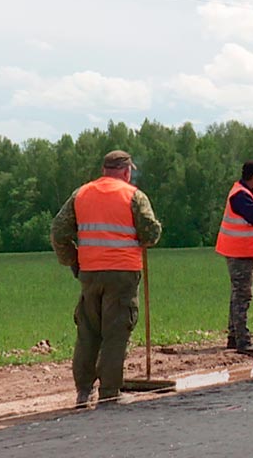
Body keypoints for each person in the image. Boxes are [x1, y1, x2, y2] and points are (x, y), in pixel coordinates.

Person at [51, 149, 162, 408]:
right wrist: (153, 231)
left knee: (88, 331)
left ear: (104, 170)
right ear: (126, 171)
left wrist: (73, 260)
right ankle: (110, 392)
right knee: (115, 332)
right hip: (122, 272)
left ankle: (83, 391)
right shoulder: (134, 195)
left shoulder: (82, 194)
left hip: (89, 273)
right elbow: (150, 233)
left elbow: (58, 230)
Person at [215, 159, 253, 357]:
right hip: (238, 252)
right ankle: (242, 340)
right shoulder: (240, 196)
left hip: (243, 251)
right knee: (242, 296)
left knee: (237, 294)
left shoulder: (249, 193)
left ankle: (234, 336)